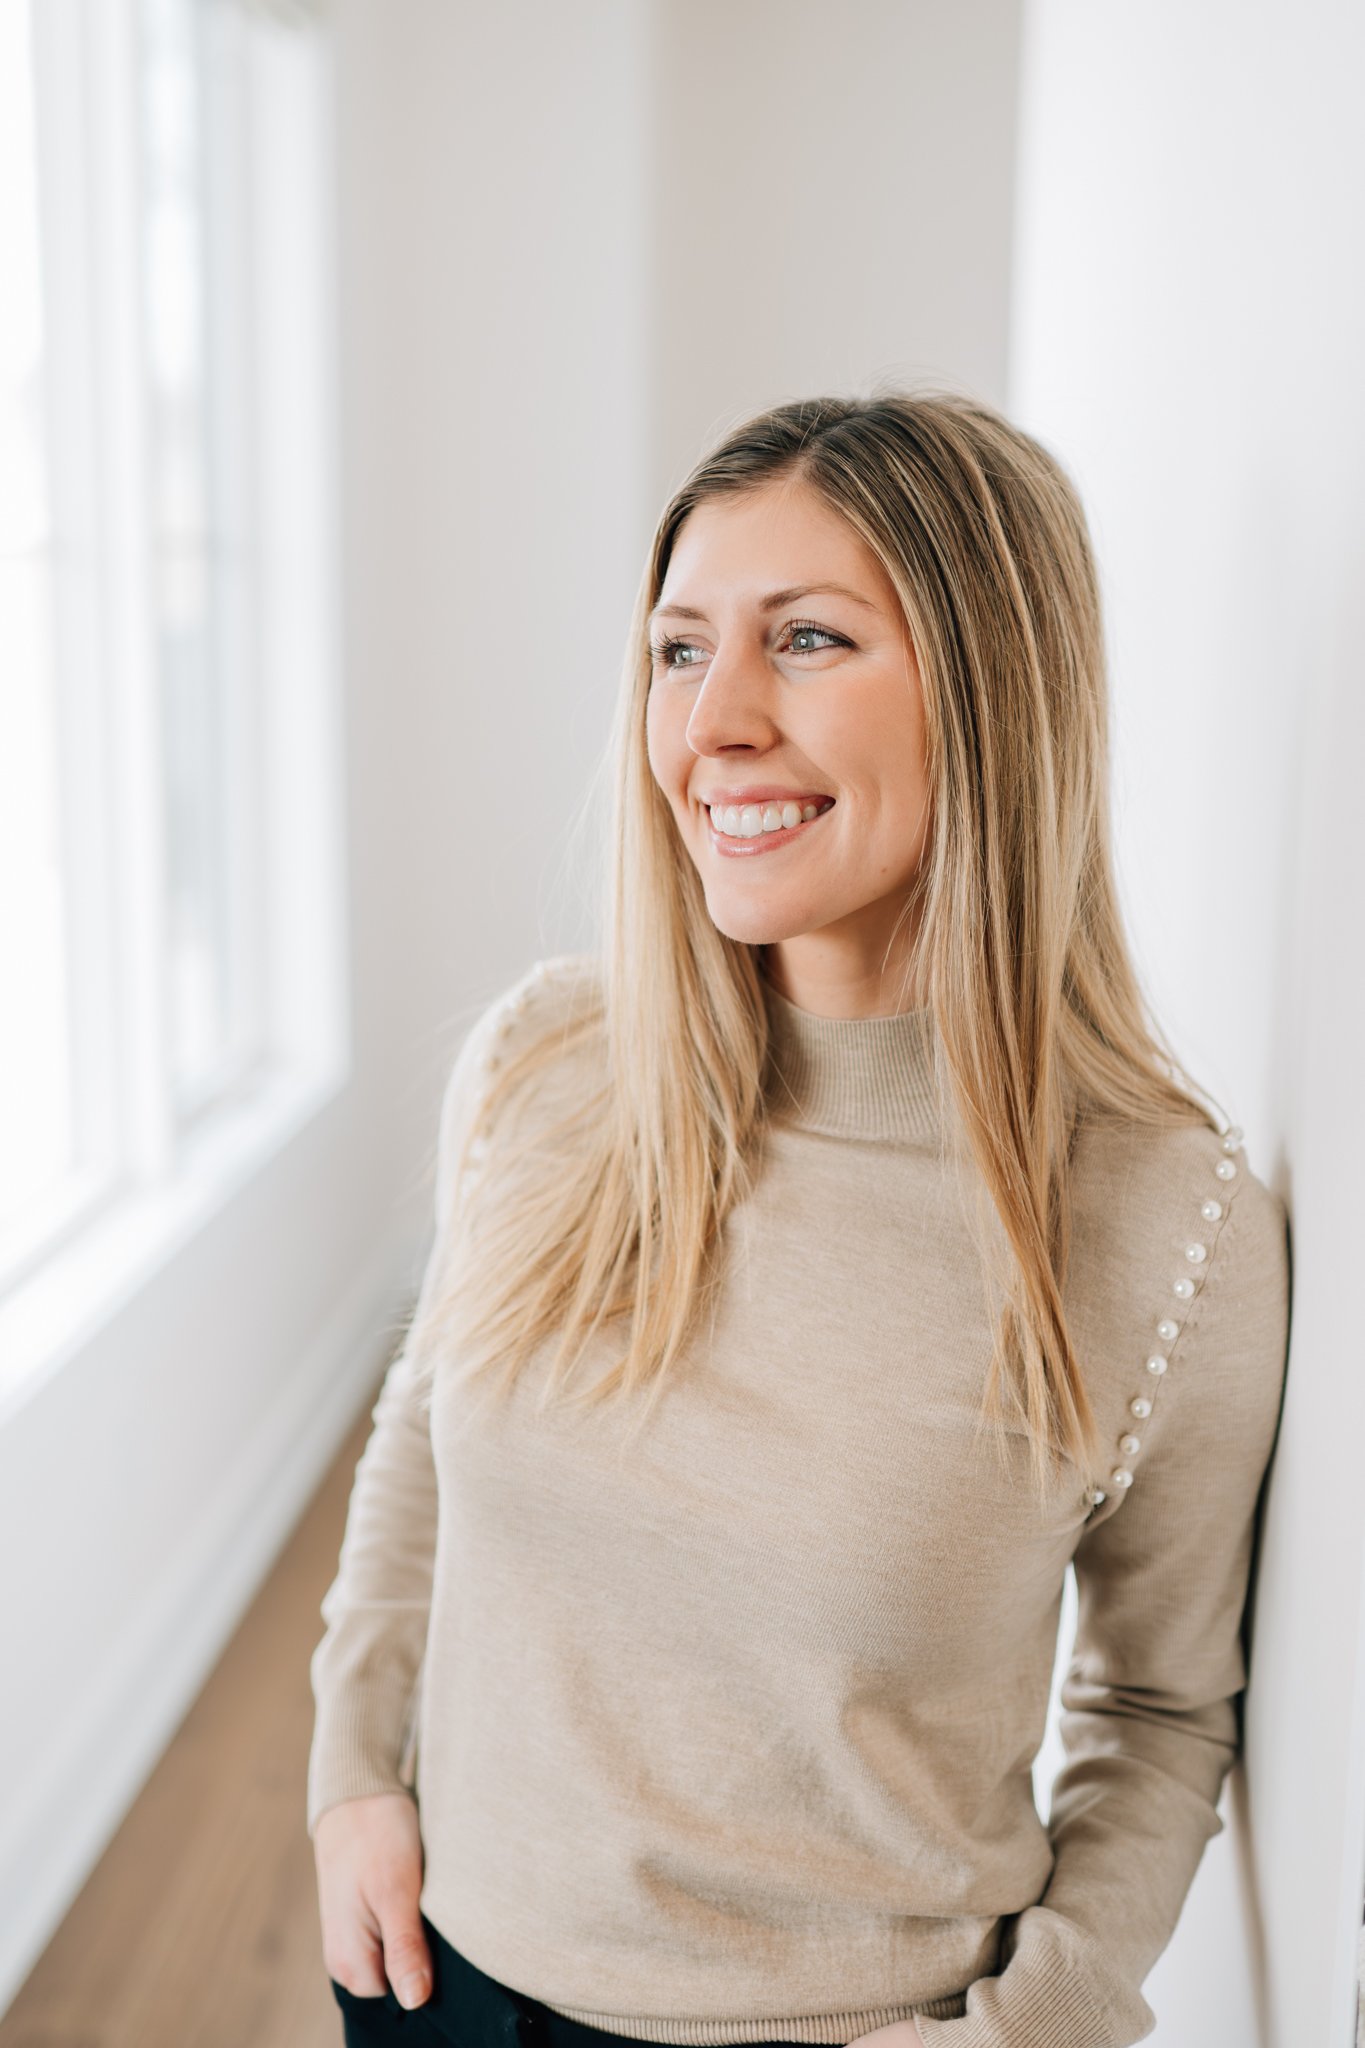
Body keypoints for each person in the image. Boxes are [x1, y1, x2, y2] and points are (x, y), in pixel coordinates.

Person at [307, 389, 1292, 2048]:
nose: (714, 723)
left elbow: (1157, 1702)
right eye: (678, 650)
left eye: (809, 640)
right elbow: (426, 1424)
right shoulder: (544, 1063)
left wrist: (1028, 2030)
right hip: (435, 1989)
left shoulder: (1157, 1223)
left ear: (991, 693)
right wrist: (351, 1771)